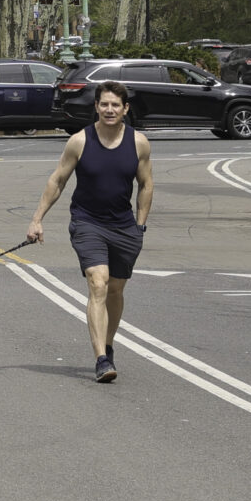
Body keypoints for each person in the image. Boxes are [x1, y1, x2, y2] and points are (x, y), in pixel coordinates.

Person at [24, 81, 154, 384]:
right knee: (98, 282)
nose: (109, 110)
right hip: (87, 222)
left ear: (125, 109)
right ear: (96, 107)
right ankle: (100, 358)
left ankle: (108, 344)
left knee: (116, 289)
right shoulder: (80, 141)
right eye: (104, 104)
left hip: (123, 226)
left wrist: (140, 225)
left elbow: (146, 184)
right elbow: (57, 181)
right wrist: (37, 220)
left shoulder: (139, 143)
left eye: (115, 105)